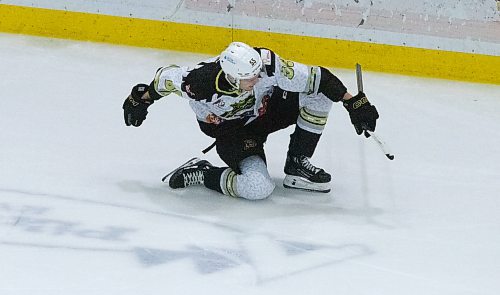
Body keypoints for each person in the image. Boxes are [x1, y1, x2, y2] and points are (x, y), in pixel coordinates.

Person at [122, 42, 379, 200]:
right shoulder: (198, 83)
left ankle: (297, 163)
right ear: (233, 79)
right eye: (250, 79)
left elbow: (318, 77)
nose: (258, 79)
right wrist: (140, 99)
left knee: (321, 96)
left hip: (267, 111)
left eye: (257, 74)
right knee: (258, 188)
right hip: (234, 134)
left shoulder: (265, 65)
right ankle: (203, 173)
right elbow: (165, 79)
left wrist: (353, 102)